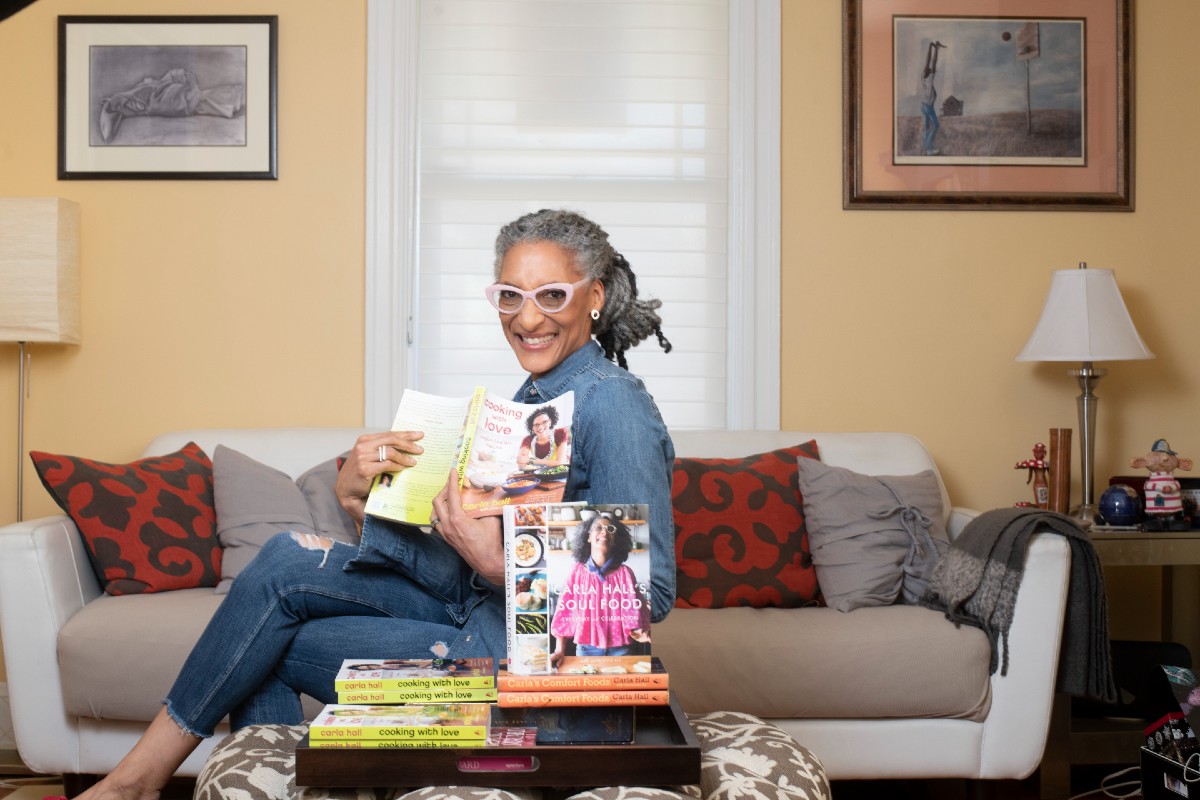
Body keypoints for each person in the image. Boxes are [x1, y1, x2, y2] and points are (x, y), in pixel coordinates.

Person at [77, 209, 676, 800]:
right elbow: (474, 562)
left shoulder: (614, 406)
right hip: (482, 613)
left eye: (551, 294)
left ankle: (134, 784)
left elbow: (649, 595)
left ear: (594, 296)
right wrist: (358, 500)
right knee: (286, 557)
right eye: (509, 296)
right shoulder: (536, 396)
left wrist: (502, 565)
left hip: (533, 669)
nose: (526, 317)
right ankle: (137, 782)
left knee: (265, 645)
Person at [550, 511, 651, 665]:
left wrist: (643, 631)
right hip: (586, 649)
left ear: (615, 540)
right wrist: (559, 650)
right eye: (598, 528)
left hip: (621, 650)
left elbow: (637, 612)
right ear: (588, 537)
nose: (604, 531)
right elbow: (564, 614)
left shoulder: (625, 573)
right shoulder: (576, 572)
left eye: (610, 530)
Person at [516, 404, 570, 469]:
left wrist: (531, 461)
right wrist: (523, 463)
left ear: (550, 422)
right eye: (536, 424)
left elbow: (560, 462)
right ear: (532, 428)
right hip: (541, 472)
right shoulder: (528, 439)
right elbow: (521, 462)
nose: (540, 427)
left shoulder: (560, 433)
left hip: (562, 470)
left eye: (544, 422)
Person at [919, 41, 946, 156]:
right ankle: (929, 149)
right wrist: (937, 49)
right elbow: (933, 61)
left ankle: (927, 146)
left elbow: (928, 61)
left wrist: (930, 46)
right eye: (931, 70)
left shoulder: (923, 76)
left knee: (926, 127)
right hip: (928, 107)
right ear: (930, 72)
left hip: (923, 105)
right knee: (936, 125)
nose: (931, 69)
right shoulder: (930, 79)